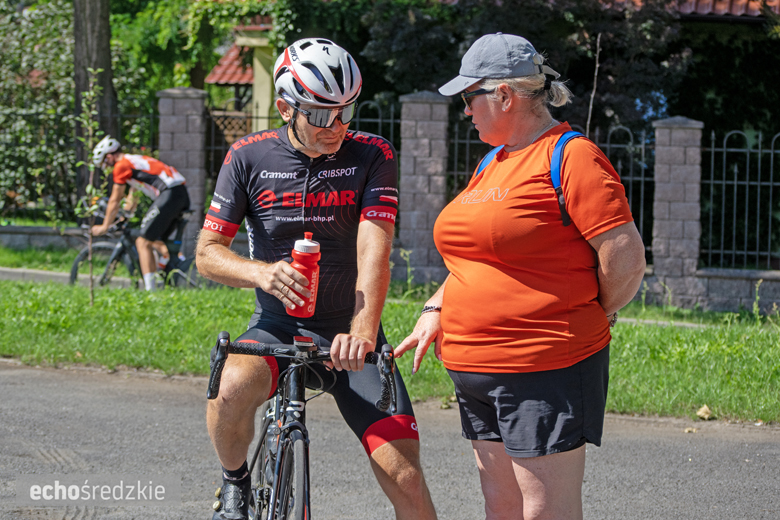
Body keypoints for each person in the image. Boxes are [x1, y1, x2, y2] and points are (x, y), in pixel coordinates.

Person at [396, 33, 646, 520]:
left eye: (470, 98)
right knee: (502, 505)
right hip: (476, 371)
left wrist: (597, 311)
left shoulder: (572, 156)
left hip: (543, 366)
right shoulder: (493, 161)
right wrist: (436, 308)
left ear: (504, 95)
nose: (465, 111)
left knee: (543, 511)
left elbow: (625, 258)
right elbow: (478, 257)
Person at [196, 38, 437, 520]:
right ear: (286, 106)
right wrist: (260, 272)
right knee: (230, 387)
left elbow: (375, 248)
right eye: (323, 115)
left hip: (350, 331)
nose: (338, 126)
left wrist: (364, 331)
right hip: (277, 327)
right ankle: (235, 482)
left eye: (347, 111)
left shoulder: (372, 154)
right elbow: (207, 254)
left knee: (406, 479)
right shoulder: (247, 156)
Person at [91, 137, 190, 291]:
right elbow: (134, 194)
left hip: (169, 194)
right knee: (156, 240)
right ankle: (171, 269)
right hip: (180, 194)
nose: (106, 168)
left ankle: (151, 293)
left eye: (104, 164)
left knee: (142, 242)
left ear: (109, 157)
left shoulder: (121, 166)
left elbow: (115, 199)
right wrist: (126, 215)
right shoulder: (133, 161)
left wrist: (105, 226)